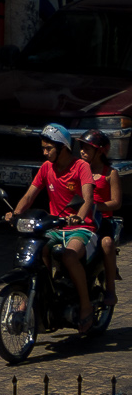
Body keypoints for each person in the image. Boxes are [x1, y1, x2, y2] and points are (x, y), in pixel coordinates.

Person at [6, 122, 97, 333]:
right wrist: (16, 214)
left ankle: (85, 306)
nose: (45, 152)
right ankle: (41, 298)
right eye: (43, 148)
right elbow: (30, 195)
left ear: (63, 148)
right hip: (54, 227)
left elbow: (88, 199)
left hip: (80, 228)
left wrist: (78, 217)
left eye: (49, 148)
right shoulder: (46, 168)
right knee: (39, 252)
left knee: (68, 256)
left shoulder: (81, 167)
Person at [79, 129, 121, 305]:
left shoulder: (110, 174)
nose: (82, 151)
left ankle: (110, 290)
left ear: (100, 151)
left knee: (107, 244)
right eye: (82, 147)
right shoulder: (79, 170)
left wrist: (95, 207)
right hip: (80, 219)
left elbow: (116, 202)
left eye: (87, 149)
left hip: (102, 221)